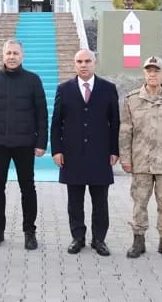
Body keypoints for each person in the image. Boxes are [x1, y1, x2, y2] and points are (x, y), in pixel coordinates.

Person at [0, 39, 47, 250]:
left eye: (15, 53)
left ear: (22, 56)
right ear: (3, 55)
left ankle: (29, 232)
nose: (12, 57)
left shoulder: (33, 80)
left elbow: (42, 114)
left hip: (25, 143)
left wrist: (41, 142)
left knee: (28, 188)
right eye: (8, 53)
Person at [119, 56, 162, 260]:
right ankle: (138, 240)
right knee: (139, 202)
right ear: (144, 73)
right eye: (149, 71)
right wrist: (125, 158)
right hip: (141, 160)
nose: (152, 74)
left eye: (156, 71)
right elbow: (125, 132)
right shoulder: (132, 100)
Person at [50, 49, 119, 256]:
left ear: (94, 63)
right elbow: (56, 123)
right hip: (72, 154)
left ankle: (99, 239)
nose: (83, 65)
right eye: (79, 61)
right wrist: (57, 150)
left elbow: (115, 122)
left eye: (87, 61)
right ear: (74, 64)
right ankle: (77, 237)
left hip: (100, 154)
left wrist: (114, 150)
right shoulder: (64, 89)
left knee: (100, 201)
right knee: (75, 200)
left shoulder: (108, 88)